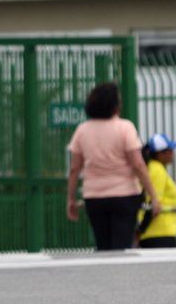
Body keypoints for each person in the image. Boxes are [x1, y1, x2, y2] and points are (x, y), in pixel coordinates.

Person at [65, 82, 160, 251]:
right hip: (125, 195)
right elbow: (138, 164)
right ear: (115, 104)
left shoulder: (82, 130)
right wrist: (153, 195)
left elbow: (74, 169)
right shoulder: (125, 127)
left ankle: (103, 276)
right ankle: (119, 277)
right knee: (121, 246)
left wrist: (71, 198)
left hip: (94, 196)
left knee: (103, 246)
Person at [137, 132, 176, 248]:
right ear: (160, 154)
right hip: (159, 233)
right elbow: (153, 204)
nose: (172, 154)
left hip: (156, 233)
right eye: (170, 151)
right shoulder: (157, 170)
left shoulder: (151, 168)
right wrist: (140, 231)